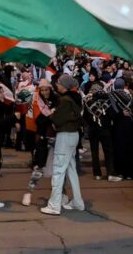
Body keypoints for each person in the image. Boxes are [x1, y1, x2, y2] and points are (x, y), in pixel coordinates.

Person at [40, 74, 85, 215]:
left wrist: (52, 115)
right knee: (71, 170)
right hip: (73, 136)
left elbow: (57, 120)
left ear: (64, 85)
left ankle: (54, 205)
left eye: (59, 83)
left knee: (59, 170)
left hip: (65, 136)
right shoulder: (75, 97)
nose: (56, 85)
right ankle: (77, 202)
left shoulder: (65, 100)